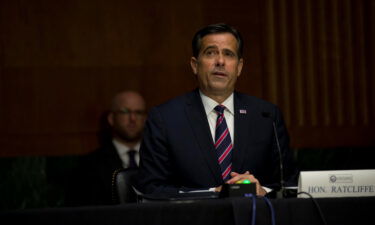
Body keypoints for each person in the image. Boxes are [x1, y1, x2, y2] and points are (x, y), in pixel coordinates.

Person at [136, 23, 298, 196]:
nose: (220, 61)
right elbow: (151, 189)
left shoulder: (266, 115)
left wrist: (262, 191)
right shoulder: (165, 118)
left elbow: (288, 183)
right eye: (210, 53)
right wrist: (213, 193)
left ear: (239, 67)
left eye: (229, 54)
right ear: (195, 65)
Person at [67, 90, 147, 205]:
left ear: (145, 119)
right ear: (111, 118)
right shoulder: (89, 165)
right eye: (125, 112)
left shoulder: (162, 159)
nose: (133, 118)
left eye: (138, 112)